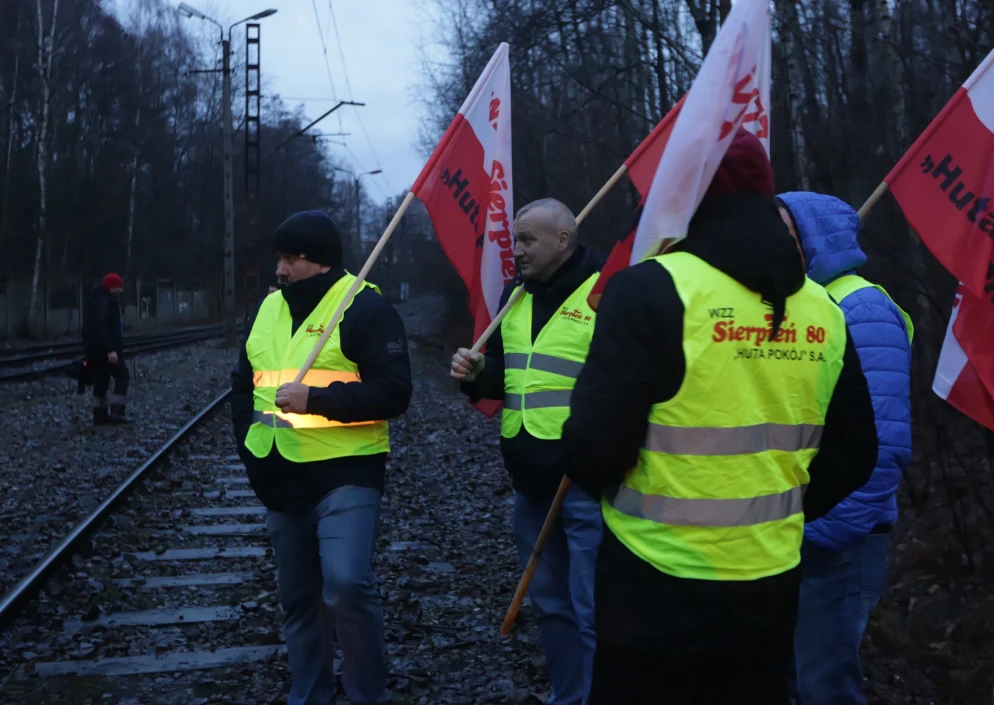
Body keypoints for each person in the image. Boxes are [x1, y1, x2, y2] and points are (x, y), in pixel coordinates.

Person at [560, 128, 879, 705]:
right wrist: (776, 510)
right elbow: (856, 454)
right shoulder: (823, 309)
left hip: (650, 584)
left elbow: (592, 450)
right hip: (770, 586)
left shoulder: (650, 289)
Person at [229, 210, 412, 705]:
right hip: (279, 477)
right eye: (279, 258)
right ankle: (308, 694)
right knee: (299, 600)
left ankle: (366, 693)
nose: (281, 269)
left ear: (322, 262)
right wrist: (248, 447)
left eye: (292, 258)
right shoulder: (267, 309)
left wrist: (316, 400)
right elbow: (242, 386)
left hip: (346, 474)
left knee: (347, 584)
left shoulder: (365, 308)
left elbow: (395, 392)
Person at [450, 198, 604, 705]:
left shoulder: (604, 292)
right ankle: (567, 695)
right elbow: (507, 377)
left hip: (587, 485)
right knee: (551, 606)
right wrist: (477, 375)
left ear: (563, 240)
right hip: (530, 483)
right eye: (515, 239)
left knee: (593, 608)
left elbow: (627, 384)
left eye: (527, 240)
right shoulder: (514, 296)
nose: (516, 250)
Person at [776, 191, 914, 705]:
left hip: (839, 537)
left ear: (814, 238)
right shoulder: (798, 304)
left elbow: (883, 443)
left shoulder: (861, 307)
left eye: (785, 234)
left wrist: (821, 534)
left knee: (824, 686)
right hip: (798, 529)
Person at [82, 272, 131, 425]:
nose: (121, 290)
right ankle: (117, 411)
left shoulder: (96, 299)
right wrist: (111, 350)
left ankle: (99, 414)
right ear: (111, 287)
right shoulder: (106, 302)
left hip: (96, 349)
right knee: (122, 376)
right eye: (118, 287)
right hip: (107, 349)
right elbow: (102, 325)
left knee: (101, 379)